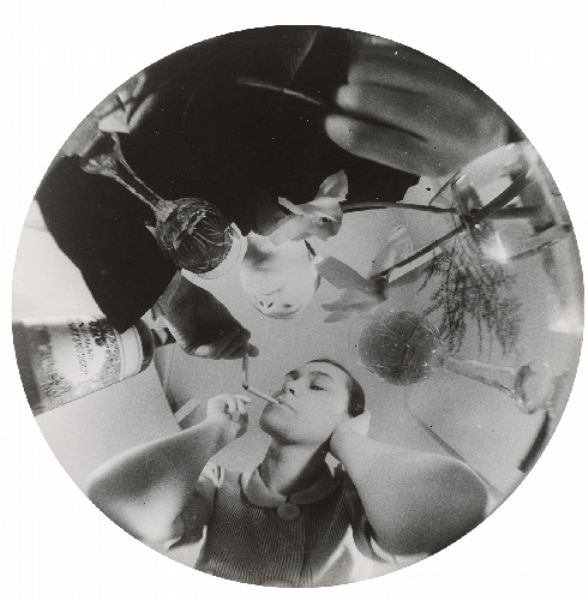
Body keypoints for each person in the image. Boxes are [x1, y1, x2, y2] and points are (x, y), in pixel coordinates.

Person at [35, 26, 512, 360]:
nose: (270, 303)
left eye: (265, 308)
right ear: (316, 261)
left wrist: (175, 301)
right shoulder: (360, 187)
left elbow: (67, 192)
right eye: (288, 304)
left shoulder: (190, 222)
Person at [85, 358, 488, 586]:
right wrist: (213, 430)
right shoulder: (218, 487)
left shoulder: (355, 499)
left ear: (352, 419)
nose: (288, 387)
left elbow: (456, 504)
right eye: (289, 380)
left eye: (317, 386)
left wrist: (348, 441)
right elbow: (115, 504)